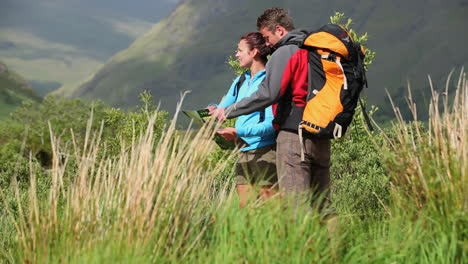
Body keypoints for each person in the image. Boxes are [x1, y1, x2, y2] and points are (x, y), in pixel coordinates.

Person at [211, 8, 331, 205]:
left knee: (292, 205)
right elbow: (225, 107)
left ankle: (298, 235)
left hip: (280, 140)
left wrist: (236, 123)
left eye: (267, 37)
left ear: (280, 30)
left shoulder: (282, 57)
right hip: (318, 130)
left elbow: (269, 100)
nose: (267, 43)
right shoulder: (311, 50)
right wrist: (217, 112)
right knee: (321, 204)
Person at [208, 32, 277, 208]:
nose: (236, 54)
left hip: (265, 150)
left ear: (253, 52)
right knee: (245, 207)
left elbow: (271, 124)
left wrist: (239, 131)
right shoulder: (241, 79)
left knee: (272, 209)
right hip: (243, 149)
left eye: (240, 50)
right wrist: (213, 110)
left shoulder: (270, 81)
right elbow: (223, 108)